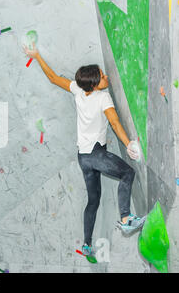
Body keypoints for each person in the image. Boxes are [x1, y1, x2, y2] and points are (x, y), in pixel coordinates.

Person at [23, 43, 146, 256]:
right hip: (96, 155)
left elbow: (53, 78)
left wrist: (36, 56)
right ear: (96, 83)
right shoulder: (103, 97)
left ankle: (87, 244)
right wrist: (128, 145)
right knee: (128, 172)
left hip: (84, 158)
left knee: (94, 200)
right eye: (102, 75)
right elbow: (115, 123)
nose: (106, 76)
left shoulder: (78, 89)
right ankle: (126, 218)